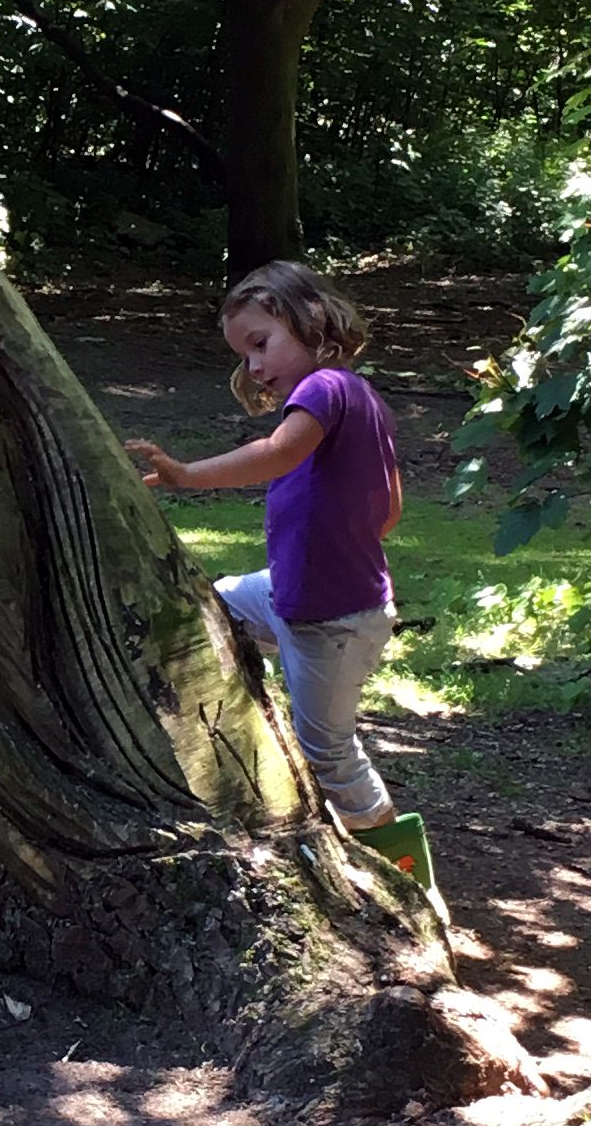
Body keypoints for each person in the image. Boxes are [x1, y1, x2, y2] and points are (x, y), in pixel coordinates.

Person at [123, 260, 403, 831]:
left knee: (327, 748)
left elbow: (277, 452)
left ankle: (390, 853)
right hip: (298, 592)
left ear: (310, 317)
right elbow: (391, 510)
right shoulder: (363, 399)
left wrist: (187, 475)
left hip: (335, 617)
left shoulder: (326, 387)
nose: (253, 367)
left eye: (260, 344)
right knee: (211, 603)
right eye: (243, 357)